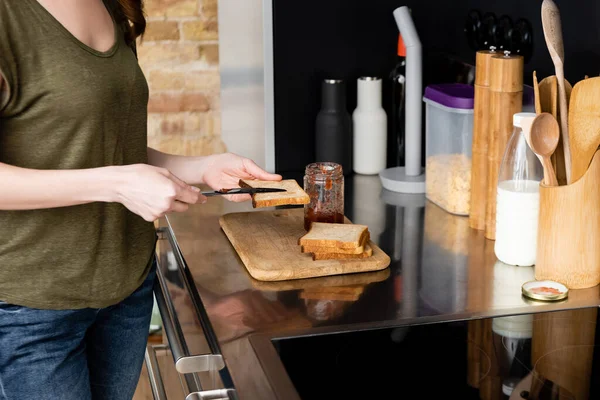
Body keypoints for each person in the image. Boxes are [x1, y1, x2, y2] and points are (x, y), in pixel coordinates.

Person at [0, 1, 281, 399]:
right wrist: (115, 184)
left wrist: (203, 166)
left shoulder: (112, 5)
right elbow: (112, 173)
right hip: (32, 308)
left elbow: (104, 146)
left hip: (127, 291)